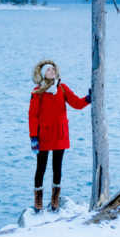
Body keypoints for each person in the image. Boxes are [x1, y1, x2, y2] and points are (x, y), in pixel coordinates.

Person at [28, 59, 90, 212]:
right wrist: (33, 137)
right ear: (43, 74)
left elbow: (76, 103)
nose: (52, 71)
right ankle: (38, 201)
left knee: (58, 168)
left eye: (53, 69)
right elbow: (33, 116)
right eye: (49, 70)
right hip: (43, 136)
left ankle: (55, 200)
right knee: (40, 168)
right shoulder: (37, 92)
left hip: (60, 134)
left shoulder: (62, 88)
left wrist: (88, 98)